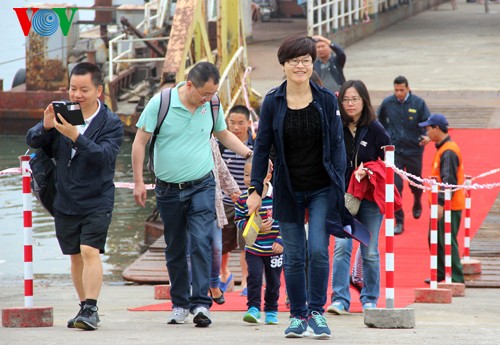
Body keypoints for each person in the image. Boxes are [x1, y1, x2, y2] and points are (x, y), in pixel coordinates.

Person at [131, 62, 253, 328]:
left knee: (201, 241)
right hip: (167, 189)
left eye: (212, 94)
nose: (207, 99)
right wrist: (139, 181)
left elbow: (223, 134)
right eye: (203, 94)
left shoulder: (211, 105)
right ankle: (179, 304)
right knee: (175, 247)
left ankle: (200, 304)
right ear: (189, 86)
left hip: (202, 185)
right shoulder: (160, 103)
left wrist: (249, 154)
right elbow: (140, 141)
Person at [246, 35, 346, 339]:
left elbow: (339, 147)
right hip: (288, 188)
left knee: (317, 249)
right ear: (284, 65)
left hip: (321, 188)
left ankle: (317, 312)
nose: (300, 66)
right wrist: (254, 189)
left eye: (305, 60)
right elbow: (261, 147)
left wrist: (338, 188)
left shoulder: (327, 100)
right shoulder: (272, 102)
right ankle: (298, 316)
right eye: (294, 61)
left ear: (312, 63)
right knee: (294, 254)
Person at [26, 62, 124, 330]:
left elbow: (103, 157)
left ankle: (91, 308)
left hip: (97, 198)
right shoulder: (62, 113)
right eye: (72, 89)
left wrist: (76, 136)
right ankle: (84, 309)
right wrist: (46, 127)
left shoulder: (111, 122)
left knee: (89, 250)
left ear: (99, 91)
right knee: (75, 255)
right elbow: (33, 142)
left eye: (84, 89)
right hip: (65, 197)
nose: (77, 95)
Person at [327, 80, 391, 315]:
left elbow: (390, 164)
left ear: (364, 101)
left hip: (371, 199)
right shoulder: (335, 127)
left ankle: (370, 299)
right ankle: (340, 299)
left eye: (354, 99)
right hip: (344, 198)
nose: (350, 104)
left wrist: (371, 170)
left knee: (370, 250)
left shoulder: (375, 129)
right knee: (342, 247)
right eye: (345, 99)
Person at [378, 75, 431, 235]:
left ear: (408, 88)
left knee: (415, 182)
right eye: (396, 90)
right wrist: (386, 134)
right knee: (395, 186)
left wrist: (425, 136)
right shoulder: (388, 103)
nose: (399, 93)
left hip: (413, 149)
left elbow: (426, 123)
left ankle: (417, 201)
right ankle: (399, 220)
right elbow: (379, 120)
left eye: (401, 90)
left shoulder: (418, 103)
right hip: (395, 151)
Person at [235, 158, 283, 325]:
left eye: (254, 175)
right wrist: (256, 227)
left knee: (274, 282)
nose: (249, 179)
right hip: (253, 247)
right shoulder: (243, 199)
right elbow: (239, 221)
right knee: (254, 278)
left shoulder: (278, 196)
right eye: (246, 174)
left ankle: (271, 310)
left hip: (274, 248)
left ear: (268, 176)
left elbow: (287, 220)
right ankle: (253, 308)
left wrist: (281, 240)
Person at [418, 114, 465, 283]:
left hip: (449, 205)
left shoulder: (449, 151)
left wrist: (440, 203)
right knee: (436, 239)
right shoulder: (444, 148)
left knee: (447, 240)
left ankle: (456, 278)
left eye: (428, 129)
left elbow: (448, 181)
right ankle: (440, 273)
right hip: (445, 203)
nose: (427, 132)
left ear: (437, 129)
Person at [219, 105, 255, 296]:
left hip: (248, 202)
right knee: (223, 242)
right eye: (232, 123)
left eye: (241, 123)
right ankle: (224, 274)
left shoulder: (255, 146)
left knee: (246, 243)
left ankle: (246, 281)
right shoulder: (222, 144)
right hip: (225, 201)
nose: (236, 127)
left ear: (249, 123)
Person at [208, 137, 240, 303]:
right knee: (190, 248)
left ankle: (214, 282)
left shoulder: (213, 138)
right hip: (186, 196)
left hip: (216, 200)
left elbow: (219, 165)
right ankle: (192, 290)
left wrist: (233, 189)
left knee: (217, 246)